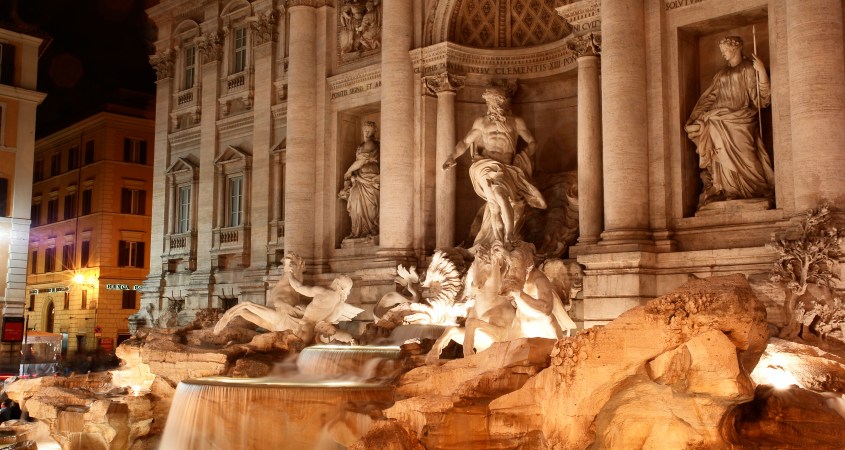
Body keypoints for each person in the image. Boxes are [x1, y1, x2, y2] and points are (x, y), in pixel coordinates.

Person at [443, 86, 547, 246]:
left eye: (496, 101)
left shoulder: (516, 122)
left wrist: (522, 157)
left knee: (495, 205)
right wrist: (451, 157)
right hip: (485, 165)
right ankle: (508, 234)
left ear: (503, 102)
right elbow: (464, 142)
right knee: (498, 196)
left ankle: (502, 238)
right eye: (490, 102)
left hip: (506, 168)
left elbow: (533, 142)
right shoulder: (481, 122)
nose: (493, 106)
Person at [685, 36, 774, 209]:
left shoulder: (748, 68)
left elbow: (761, 100)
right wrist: (695, 117)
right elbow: (709, 97)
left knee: (747, 155)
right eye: (722, 51)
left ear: (736, 48)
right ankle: (729, 189)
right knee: (720, 152)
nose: (723, 54)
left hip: (742, 118)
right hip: (718, 119)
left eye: (726, 50)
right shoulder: (721, 74)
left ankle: (757, 189)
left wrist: (762, 72)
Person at [338, 121, 380, 240]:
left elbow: (362, 161)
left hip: (369, 177)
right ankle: (357, 231)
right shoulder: (362, 145)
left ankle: (371, 229)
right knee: (355, 203)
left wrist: (348, 171)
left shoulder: (371, 144)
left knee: (370, 206)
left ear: (374, 131)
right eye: (365, 130)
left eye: (369, 131)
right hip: (359, 178)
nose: (366, 133)